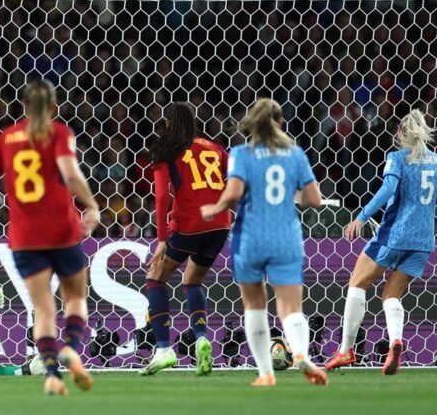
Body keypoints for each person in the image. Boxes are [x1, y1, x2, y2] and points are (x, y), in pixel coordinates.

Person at [0, 79, 99, 396]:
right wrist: (92, 206)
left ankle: (52, 375)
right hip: (62, 231)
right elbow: (70, 174)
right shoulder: (58, 133)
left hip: (26, 238)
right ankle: (70, 345)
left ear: (24, 107)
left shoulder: (7, 137)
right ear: (54, 106)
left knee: (43, 309)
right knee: (75, 298)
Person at [201, 98, 328, 387]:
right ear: (281, 123)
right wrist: (287, 194)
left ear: (252, 125)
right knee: (291, 307)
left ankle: (265, 373)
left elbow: (233, 193)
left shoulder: (241, 154)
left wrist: (215, 208)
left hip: (251, 237)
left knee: (255, 305)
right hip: (286, 237)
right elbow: (314, 200)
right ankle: (301, 354)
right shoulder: (295, 154)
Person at [325, 110, 437, 376]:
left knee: (357, 283)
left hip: (394, 234)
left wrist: (361, 217)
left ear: (400, 134)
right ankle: (396, 340)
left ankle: (346, 350)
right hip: (423, 240)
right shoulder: (434, 161)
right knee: (391, 294)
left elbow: (387, 189)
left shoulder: (397, 159)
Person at [140, 102, 230, 377]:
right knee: (191, 281)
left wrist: (161, 238)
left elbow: (161, 197)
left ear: (167, 124)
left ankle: (164, 349)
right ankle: (202, 338)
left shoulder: (165, 151)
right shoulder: (214, 148)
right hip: (220, 224)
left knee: (155, 278)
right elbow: (233, 180)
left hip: (189, 225)